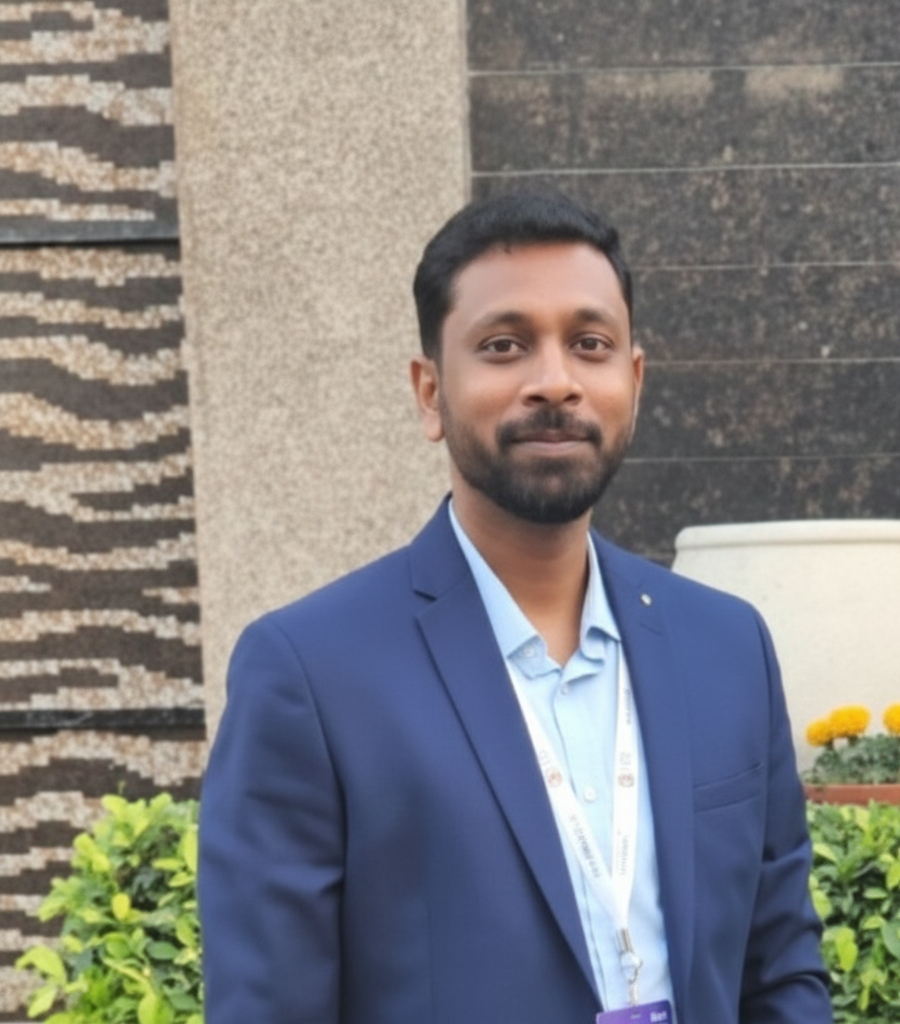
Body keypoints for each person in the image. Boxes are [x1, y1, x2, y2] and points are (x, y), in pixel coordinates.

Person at [199, 191, 833, 1024]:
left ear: (634, 381)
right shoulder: (311, 675)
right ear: (430, 392)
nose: (554, 382)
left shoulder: (727, 646)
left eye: (590, 344)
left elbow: (779, 970)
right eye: (504, 346)